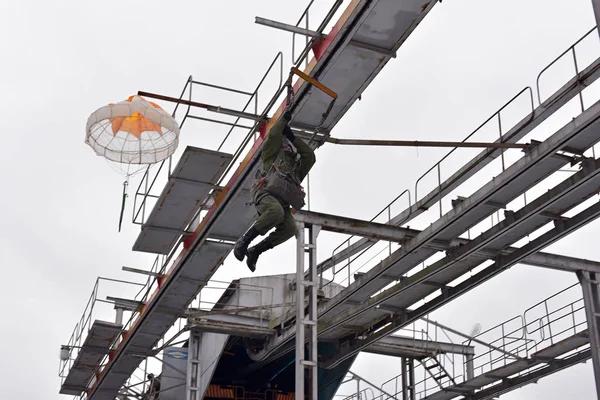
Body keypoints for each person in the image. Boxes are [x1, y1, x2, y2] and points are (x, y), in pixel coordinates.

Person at [234, 109, 316, 272]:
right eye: (285, 143)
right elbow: (273, 136)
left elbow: (310, 156)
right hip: (264, 193)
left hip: (281, 202)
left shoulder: (296, 168)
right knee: (275, 212)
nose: (287, 147)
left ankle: (256, 251)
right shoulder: (271, 154)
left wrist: (292, 137)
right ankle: (244, 242)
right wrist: (283, 120)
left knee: (290, 228)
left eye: (289, 145)